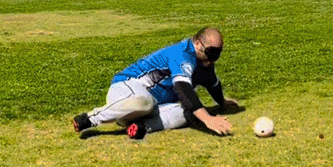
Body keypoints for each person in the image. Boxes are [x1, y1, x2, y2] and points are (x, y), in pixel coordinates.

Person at [73, 27, 238, 140]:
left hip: (148, 109)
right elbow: (183, 88)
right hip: (126, 90)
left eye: (218, 53)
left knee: (189, 113)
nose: (214, 57)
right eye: (211, 52)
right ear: (197, 43)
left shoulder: (205, 62)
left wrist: (222, 102)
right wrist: (208, 118)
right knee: (145, 103)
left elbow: (213, 84)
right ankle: (90, 119)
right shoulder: (182, 54)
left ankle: (140, 126)